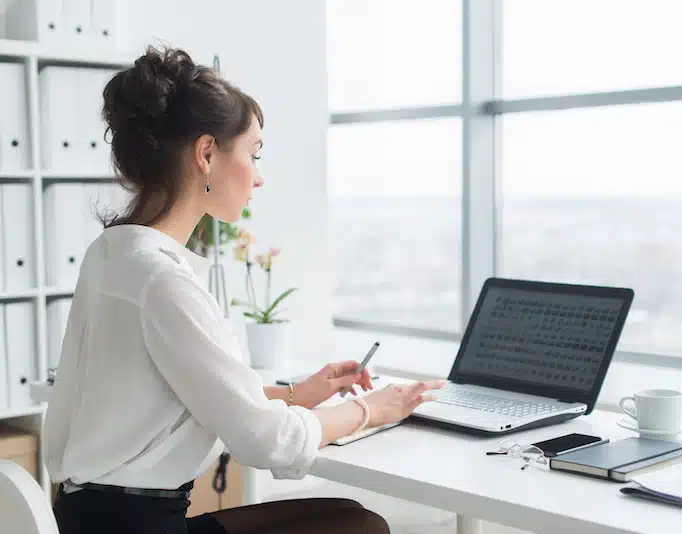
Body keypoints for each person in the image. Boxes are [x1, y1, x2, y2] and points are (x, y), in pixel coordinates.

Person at [42, 45, 444, 534]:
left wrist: (298, 393)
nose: (258, 177)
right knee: (360, 530)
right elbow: (268, 442)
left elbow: (185, 389)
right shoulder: (163, 281)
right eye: (253, 155)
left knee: (354, 517)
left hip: (90, 518)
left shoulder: (113, 255)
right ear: (206, 153)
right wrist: (371, 409)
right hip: (137, 528)